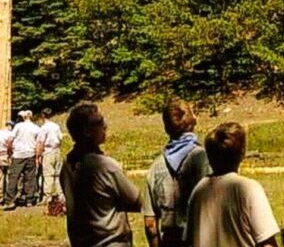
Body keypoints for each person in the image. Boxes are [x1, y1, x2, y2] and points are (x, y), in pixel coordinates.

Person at [184, 121, 279, 247]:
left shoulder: (198, 191)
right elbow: (267, 243)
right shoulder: (248, 189)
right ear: (242, 153)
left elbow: (189, 241)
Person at [60, 102, 142, 247]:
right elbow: (136, 200)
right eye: (99, 122)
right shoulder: (104, 166)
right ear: (86, 131)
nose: (105, 126)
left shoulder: (66, 167)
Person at [143, 98, 210, 247]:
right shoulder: (204, 159)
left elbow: (150, 225)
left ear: (166, 128)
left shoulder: (155, 167)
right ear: (194, 121)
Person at [4, 108, 41, 209]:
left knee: (13, 177)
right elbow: (38, 143)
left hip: (18, 155)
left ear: (24, 117)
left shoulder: (19, 126)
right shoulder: (36, 128)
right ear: (31, 116)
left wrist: (9, 151)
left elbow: (10, 139)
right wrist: (38, 156)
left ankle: (10, 201)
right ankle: (29, 199)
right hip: (31, 154)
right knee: (30, 177)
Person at [37, 108, 64, 205]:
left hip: (48, 151)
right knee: (57, 174)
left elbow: (40, 142)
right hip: (57, 150)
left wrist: (38, 155)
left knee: (48, 175)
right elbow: (60, 138)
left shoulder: (44, 128)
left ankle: (47, 197)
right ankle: (60, 195)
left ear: (43, 115)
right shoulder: (56, 126)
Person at [0, 121, 13, 205]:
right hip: (5, 156)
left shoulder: (0, 132)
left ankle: (1, 197)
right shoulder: (10, 134)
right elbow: (10, 146)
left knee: (1, 177)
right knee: (8, 177)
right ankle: (6, 196)